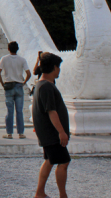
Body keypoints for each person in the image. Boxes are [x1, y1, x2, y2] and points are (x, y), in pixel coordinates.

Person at [33, 52, 71, 198]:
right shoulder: (46, 87)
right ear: (54, 67)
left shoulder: (41, 85)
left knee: (49, 161)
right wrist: (61, 132)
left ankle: (40, 192)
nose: (59, 70)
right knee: (64, 162)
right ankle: (63, 195)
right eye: (58, 67)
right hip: (52, 133)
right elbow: (51, 111)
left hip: (47, 133)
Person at [0, 41, 31, 139]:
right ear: (17, 49)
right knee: (19, 111)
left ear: (8, 49)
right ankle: (21, 133)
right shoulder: (22, 60)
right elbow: (29, 73)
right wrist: (24, 82)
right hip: (19, 85)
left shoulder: (4, 59)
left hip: (9, 85)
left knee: (10, 110)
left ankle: (9, 133)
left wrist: (3, 83)